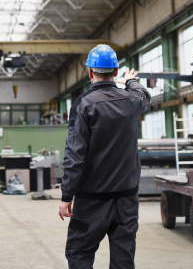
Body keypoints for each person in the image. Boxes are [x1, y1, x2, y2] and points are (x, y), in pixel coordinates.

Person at [58, 45, 151, 269]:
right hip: (126, 201)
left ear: (90, 72)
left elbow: (75, 154)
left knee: (79, 253)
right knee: (123, 259)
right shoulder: (131, 100)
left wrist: (66, 194)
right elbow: (145, 95)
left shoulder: (84, 105)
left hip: (91, 200)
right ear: (116, 71)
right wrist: (131, 81)